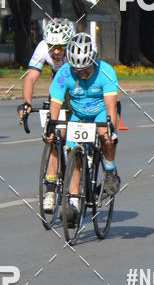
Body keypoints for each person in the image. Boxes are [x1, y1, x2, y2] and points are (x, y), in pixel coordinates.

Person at [46, 32, 120, 225]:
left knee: (106, 135)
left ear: (93, 61)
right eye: (77, 70)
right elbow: (55, 102)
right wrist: (52, 126)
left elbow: (111, 105)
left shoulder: (106, 71)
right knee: (73, 152)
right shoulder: (64, 73)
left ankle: (110, 171)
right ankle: (73, 203)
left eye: (86, 69)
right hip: (78, 113)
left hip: (101, 112)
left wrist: (110, 125)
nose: (82, 74)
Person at [19, 18, 75, 212]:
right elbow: (31, 77)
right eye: (53, 46)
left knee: (77, 134)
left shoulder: (76, 48)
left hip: (79, 89)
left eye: (60, 47)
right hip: (58, 89)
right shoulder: (43, 47)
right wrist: (26, 103)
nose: (56, 51)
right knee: (53, 135)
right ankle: (50, 189)